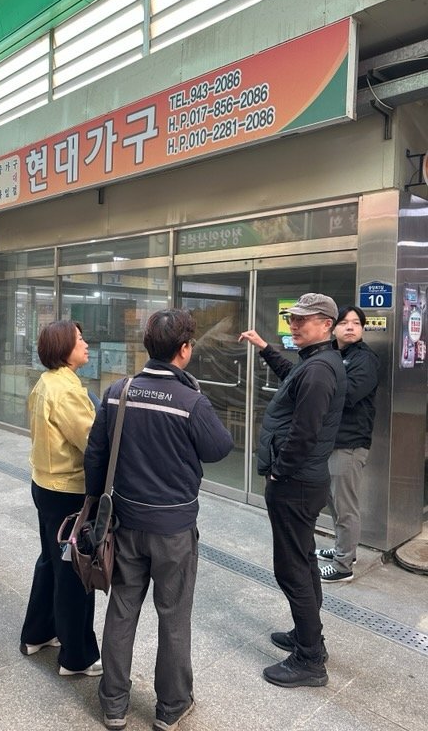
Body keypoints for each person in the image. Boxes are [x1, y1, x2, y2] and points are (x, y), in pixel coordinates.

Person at [84, 309, 234, 731]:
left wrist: (95, 509)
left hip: (124, 524)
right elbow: (219, 448)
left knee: (121, 610)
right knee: (174, 616)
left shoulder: (118, 391)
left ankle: (114, 705)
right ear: (184, 349)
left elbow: (95, 455)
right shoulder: (190, 401)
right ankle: (171, 707)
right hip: (174, 530)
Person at [239, 292, 346, 688]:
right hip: (303, 481)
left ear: (327, 325)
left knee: (292, 569)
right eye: (293, 319)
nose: (295, 325)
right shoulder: (317, 362)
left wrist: (279, 473)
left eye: (304, 319)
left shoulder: (319, 370)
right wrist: (265, 348)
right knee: (303, 560)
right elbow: (291, 378)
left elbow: (304, 433)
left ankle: (310, 660)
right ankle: (308, 635)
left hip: (295, 483)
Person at [20, 320, 101, 676]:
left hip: (45, 484)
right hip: (68, 492)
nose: (86, 344)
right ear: (64, 348)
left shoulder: (46, 382)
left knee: (52, 561)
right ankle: (76, 657)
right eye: (79, 339)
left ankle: (38, 633)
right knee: (75, 572)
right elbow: (92, 443)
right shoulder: (67, 390)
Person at [315, 305, 379, 582]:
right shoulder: (332, 354)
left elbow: (349, 395)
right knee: (334, 502)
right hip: (332, 441)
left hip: (350, 443)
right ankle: (345, 549)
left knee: (345, 507)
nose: (350, 327)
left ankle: (343, 567)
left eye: (356, 323)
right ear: (333, 327)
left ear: (362, 328)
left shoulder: (365, 359)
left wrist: (317, 389)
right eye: (344, 322)